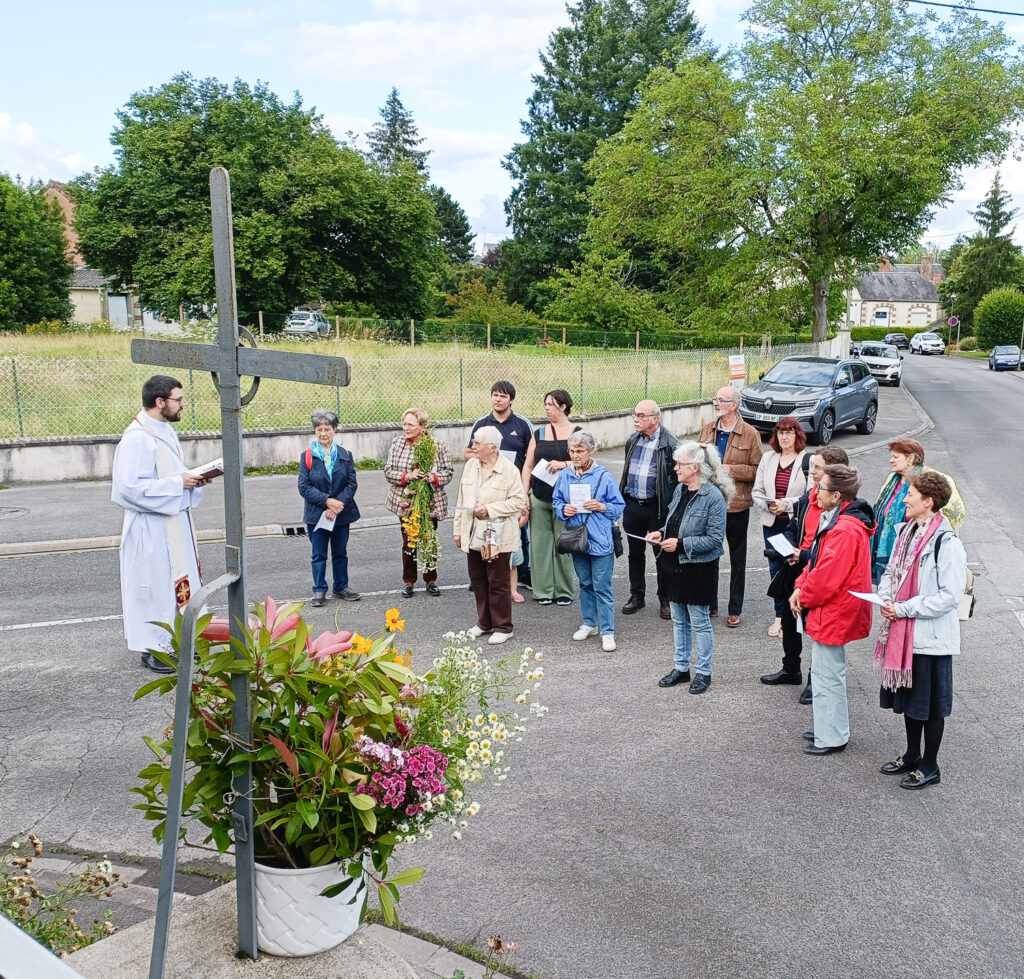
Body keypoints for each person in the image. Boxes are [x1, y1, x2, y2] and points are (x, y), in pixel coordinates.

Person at [111, 375, 210, 673]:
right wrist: (178, 482)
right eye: (178, 400)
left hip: (172, 524)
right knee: (154, 588)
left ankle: (180, 642)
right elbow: (127, 488)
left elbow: (170, 475)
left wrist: (192, 480)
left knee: (176, 585)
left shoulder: (163, 430)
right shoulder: (138, 438)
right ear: (160, 402)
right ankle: (154, 649)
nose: (183, 405)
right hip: (149, 531)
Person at [875, 471, 967, 790]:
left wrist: (903, 608)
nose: (905, 499)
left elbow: (950, 596)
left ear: (928, 502)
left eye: (911, 495)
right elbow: (890, 571)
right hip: (905, 635)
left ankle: (930, 766)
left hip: (930, 639)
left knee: (930, 707)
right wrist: (886, 597)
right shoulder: (907, 532)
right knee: (911, 701)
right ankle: (912, 754)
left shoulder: (947, 542)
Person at [790, 465, 875, 756]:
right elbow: (817, 563)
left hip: (834, 610)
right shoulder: (844, 521)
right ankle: (829, 729)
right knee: (828, 674)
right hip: (835, 607)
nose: (816, 491)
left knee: (828, 676)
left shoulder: (844, 529)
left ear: (837, 495)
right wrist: (801, 586)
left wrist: (803, 595)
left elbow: (825, 576)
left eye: (822, 487)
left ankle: (832, 736)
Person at [762, 446, 849, 699]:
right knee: (789, 622)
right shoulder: (809, 497)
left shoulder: (838, 505)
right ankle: (791, 670)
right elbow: (792, 527)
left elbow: (832, 552)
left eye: (819, 468)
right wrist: (789, 549)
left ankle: (815, 680)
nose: (812, 473)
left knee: (817, 629)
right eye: (812, 468)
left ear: (834, 472)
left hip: (819, 572)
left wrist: (805, 555)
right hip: (796, 567)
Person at [650, 443, 732, 695]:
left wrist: (682, 544)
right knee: (678, 621)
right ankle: (681, 668)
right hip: (673, 564)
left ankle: (703, 672)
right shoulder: (679, 489)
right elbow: (674, 521)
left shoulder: (713, 497)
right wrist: (661, 532)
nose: (675, 468)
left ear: (695, 468)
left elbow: (715, 539)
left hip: (698, 568)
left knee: (700, 623)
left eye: (680, 464)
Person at [453, 426, 527, 645]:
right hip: (472, 531)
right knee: (478, 579)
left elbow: (518, 502)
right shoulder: (470, 466)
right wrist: (458, 530)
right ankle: (484, 622)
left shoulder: (509, 470)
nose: (473, 447)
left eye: (477, 443)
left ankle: (503, 626)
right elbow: (461, 499)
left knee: (498, 581)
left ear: (492, 447)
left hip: (497, 535)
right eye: (474, 442)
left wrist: (490, 509)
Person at [553, 431, 626, 652]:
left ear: (591, 451)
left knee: (602, 587)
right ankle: (589, 623)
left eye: (579, 451)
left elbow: (618, 507)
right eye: (572, 451)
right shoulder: (565, 476)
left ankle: (607, 631)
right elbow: (556, 501)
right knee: (585, 583)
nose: (575, 455)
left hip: (601, 539)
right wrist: (563, 509)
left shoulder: (603, 476)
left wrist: (602, 506)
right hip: (576, 537)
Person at [698, 386, 763, 627]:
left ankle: (734, 609)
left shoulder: (750, 434)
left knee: (737, 560)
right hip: (709, 505)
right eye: (716, 399)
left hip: (736, 506)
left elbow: (758, 471)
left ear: (733, 405)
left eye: (721, 400)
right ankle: (710, 604)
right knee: (708, 557)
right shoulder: (707, 430)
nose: (716, 403)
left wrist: (731, 470)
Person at [466, 380, 535, 585]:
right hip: (488, 486)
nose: (498, 399)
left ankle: (522, 574)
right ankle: (482, 574)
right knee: (483, 530)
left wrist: (525, 490)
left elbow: (531, 457)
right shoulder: (481, 423)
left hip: (513, 486)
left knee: (518, 531)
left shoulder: (523, 424)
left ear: (511, 400)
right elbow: (468, 452)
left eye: (503, 396)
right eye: (495, 395)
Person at [871, 439, 966, 583]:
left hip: (917, 551)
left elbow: (955, 513)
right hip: (889, 552)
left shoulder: (932, 480)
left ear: (910, 458)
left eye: (896, 457)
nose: (891, 461)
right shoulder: (892, 479)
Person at [384, 408, 454, 597]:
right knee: (409, 542)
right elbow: (389, 472)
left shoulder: (436, 445)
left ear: (422, 426)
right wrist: (408, 476)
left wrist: (433, 477)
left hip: (429, 503)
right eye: (404, 423)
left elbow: (448, 472)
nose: (405, 428)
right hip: (405, 503)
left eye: (410, 425)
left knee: (428, 540)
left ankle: (431, 580)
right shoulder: (398, 443)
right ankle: (409, 581)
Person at [619, 400, 679, 620]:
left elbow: (676, 481)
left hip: (657, 508)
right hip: (633, 505)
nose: (636, 419)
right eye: (635, 414)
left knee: (662, 555)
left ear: (656, 419)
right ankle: (637, 595)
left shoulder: (670, 444)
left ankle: (665, 598)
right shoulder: (632, 441)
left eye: (641, 415)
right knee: (635, 553)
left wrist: (671, 512)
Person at [521, 389, 580, 606]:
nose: (546, 408)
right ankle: (543, 590)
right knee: (539, 544)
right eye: (545, 404)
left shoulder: (577, 432)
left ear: (563, 407)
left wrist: (564, 464)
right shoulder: (539, 433)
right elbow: (528, 465)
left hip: (566, 500)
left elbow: (587, 462)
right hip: (540, 495)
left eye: (551, 404)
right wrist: (524, 494)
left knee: (563, 543)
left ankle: (564, 590)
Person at [752, 418, 810, 637]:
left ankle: (793, 618)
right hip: (772, 523)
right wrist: (769, 504)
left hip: (796, 524)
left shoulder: (807, 460)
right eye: (781, 433)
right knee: (775, 570)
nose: (784, 437)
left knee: (794, 569)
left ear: (798, 435)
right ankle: (779, 617)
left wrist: (785, 504)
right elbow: (756, 491)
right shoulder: (768, 458)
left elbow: (810, 495)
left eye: (789, 432)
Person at [297, 410, 361, 608]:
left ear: (334, 430)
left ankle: (341, 586)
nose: (323, 433)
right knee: (319, 554)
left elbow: (351, 483)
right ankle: (319, 589)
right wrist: (327, 501)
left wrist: (338, 504)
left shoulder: (345, 455)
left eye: (327, 429)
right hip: (317, 514)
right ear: (315, 431)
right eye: (319, 429)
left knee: (340, 552)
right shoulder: (307, 457)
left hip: (341, 513)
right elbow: (304, 486)